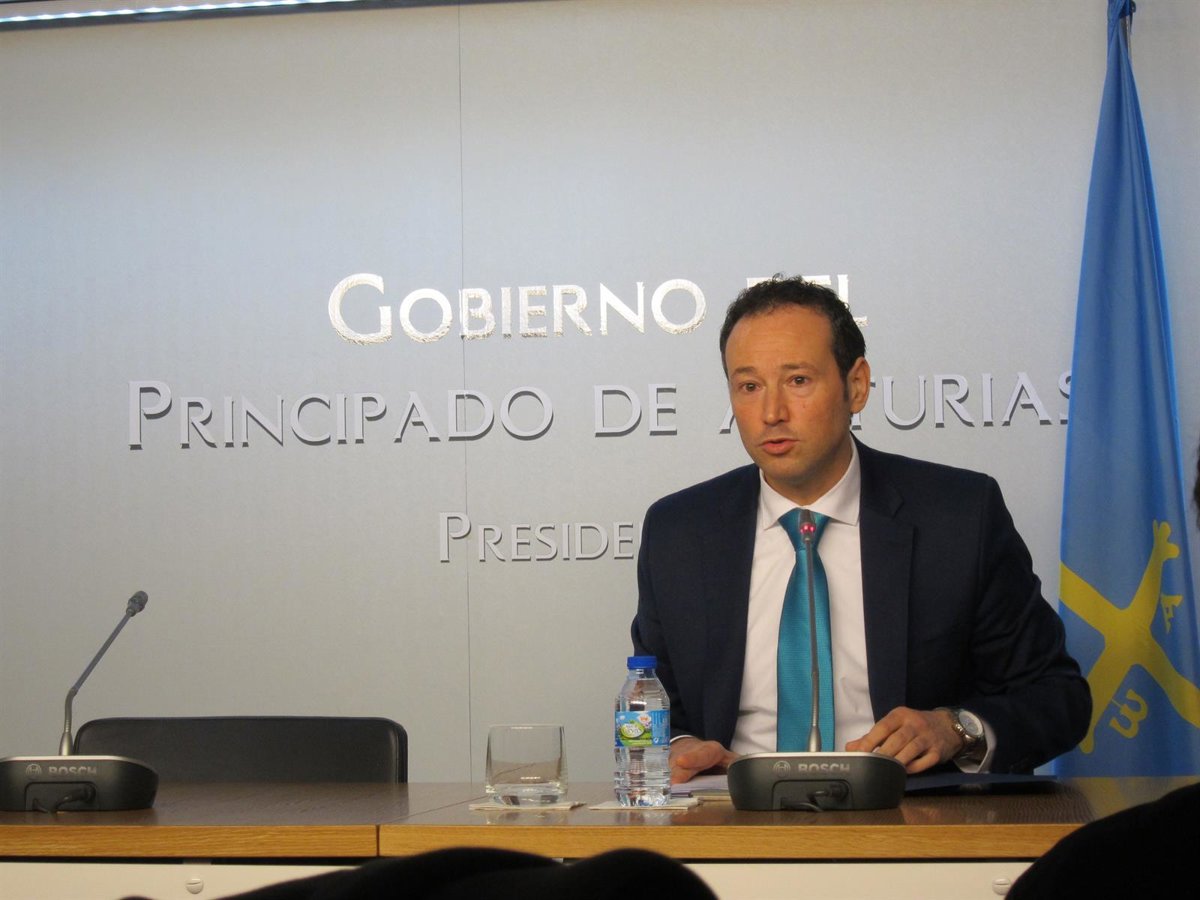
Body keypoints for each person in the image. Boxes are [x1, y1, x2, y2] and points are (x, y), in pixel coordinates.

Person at [631, 275, 1091, 782]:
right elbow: (654, 702)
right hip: (734, 813)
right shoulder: (679, 533)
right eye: (749, 387)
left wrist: (955, 728)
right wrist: (680, 747)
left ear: (856, 385)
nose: (771, 413)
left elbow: (1058, 697)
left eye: (798, 380)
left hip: (910, 816)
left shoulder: (959, 518)